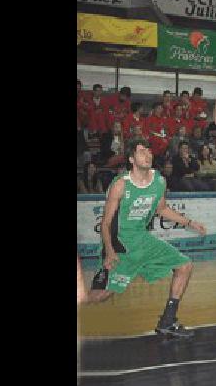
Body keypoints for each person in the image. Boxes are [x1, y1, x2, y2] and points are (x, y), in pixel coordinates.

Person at [83, 138, 208, 338]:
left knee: (184, 266)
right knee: (101, 295)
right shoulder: (121, 184)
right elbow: (106, 224)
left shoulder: (159, 180)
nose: (148, 155)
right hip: (121, 245)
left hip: (143, 240)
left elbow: (162, 209)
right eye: (142, 152)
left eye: (149, 152)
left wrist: (189, 222)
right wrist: (109, 251)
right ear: (132, 159)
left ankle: (167, 320)